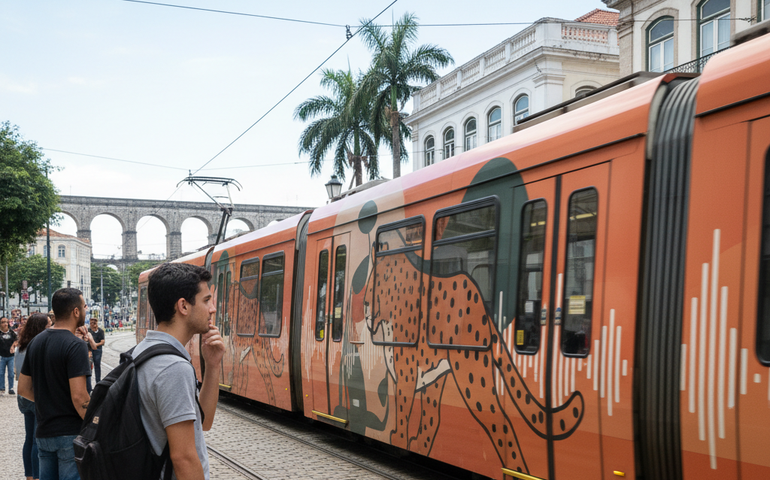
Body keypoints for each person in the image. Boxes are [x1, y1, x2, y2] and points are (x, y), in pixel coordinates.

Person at [132, 263, 223, 479]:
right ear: (183, 306)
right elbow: (184, 457)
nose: (213, 308)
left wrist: (213, 365)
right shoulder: (173, 367)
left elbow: (203, 422)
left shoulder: (143, 351)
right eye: (206, 300)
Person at [18, 288, 91, 480]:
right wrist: (95, 427)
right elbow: (79, 397)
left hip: (43, 433)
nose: (86, 310)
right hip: (69, 432)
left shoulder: (35, 342)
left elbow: (23, 389)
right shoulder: (76, 346)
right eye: (84, 306)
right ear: (76, 311)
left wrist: (48, 400)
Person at [15, 313, 50, 480]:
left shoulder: (20, 346)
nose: (51, 328)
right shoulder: (38, 347)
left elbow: (17, 373)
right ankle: (36, 476)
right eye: (48, 325)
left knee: (29, 438)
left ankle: (29, 475)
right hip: (35, 393)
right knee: (37, 439)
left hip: (22, 396)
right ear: (40, 328)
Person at [1, 316, 18, 394]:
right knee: (1, 373)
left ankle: (11, 388)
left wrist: (13, 346)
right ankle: (2, 387)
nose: (5, 324)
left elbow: (17, 340)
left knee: (11, 373)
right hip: (1, 356)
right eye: (3, 322)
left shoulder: (12, 332)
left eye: (6, 322)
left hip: (11, 356)